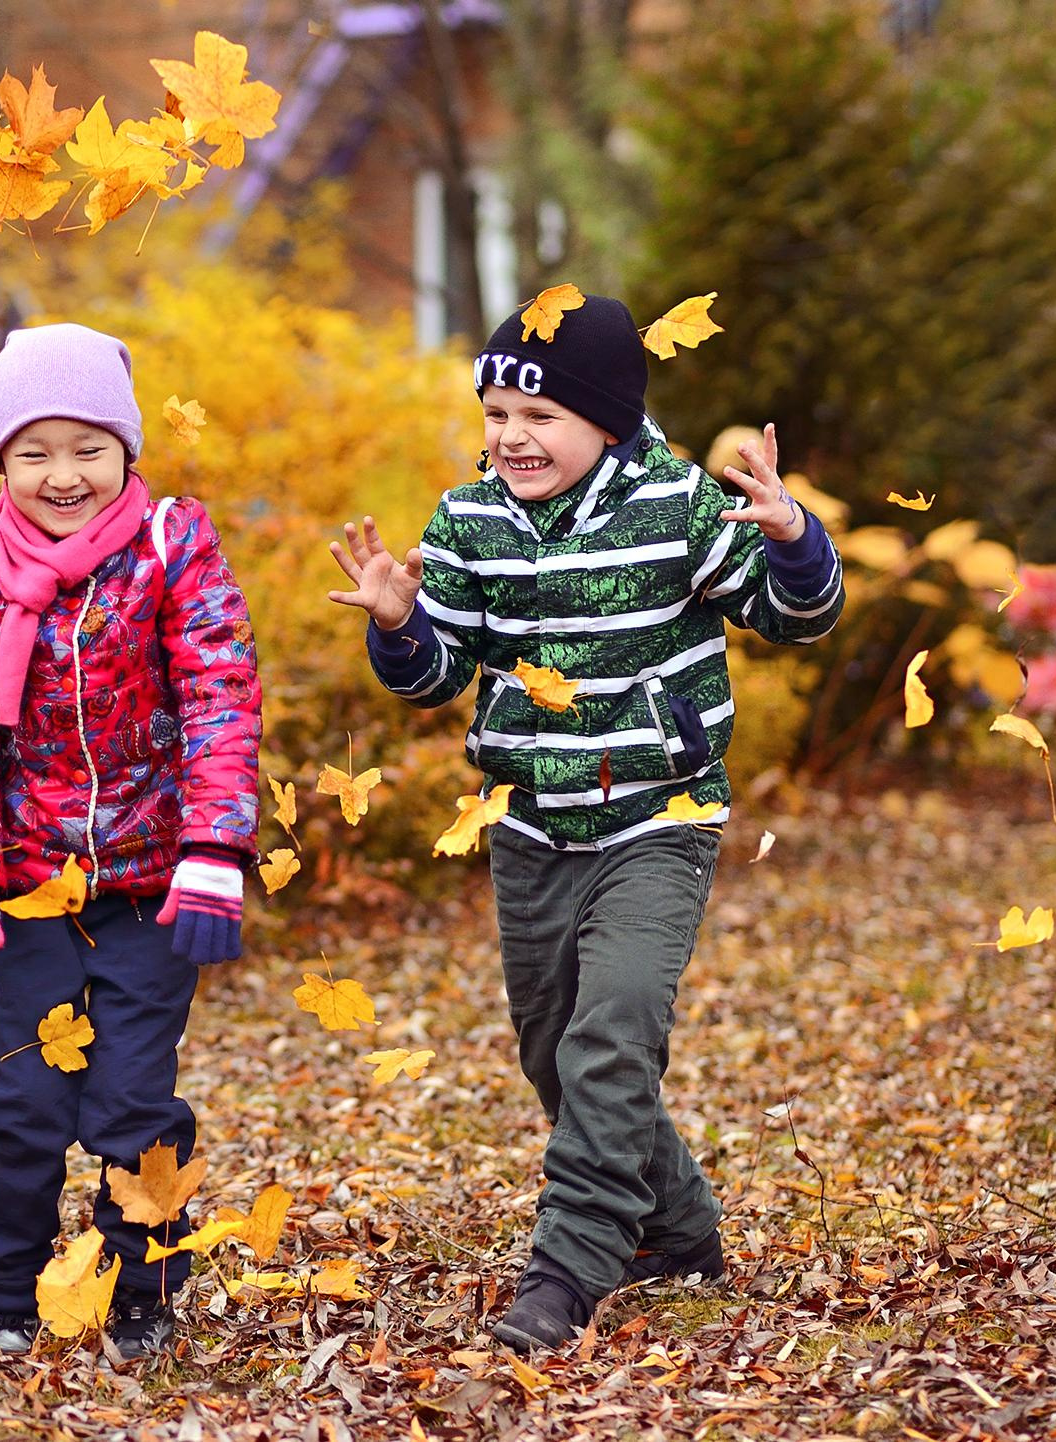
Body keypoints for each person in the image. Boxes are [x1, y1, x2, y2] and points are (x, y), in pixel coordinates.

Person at [329, 293, 844, 1351]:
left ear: (607, 419)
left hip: (661, 814)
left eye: (541, 416)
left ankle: (569, 1264)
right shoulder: (467, 519)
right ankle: (684, 1228)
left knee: (612, 1031)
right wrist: (396, 621)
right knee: (553, 1052)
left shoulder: (680, 507)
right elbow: (437, 674)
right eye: (496, 415)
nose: (512, 437)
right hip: (530, 821)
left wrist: (793, 538)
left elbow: (796, 617)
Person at [0, 323, 263, 1361]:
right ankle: (7, 1294)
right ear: (1, 461)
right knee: (25, 1098)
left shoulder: (170, 543)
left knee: (131, 1101)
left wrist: (215, 848)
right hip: (28, 887)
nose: (62, 475)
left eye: (86, 448)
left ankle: (143, 1289)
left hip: (156, 885)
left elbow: (218, 690)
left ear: (124, 447)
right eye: (35, 451)